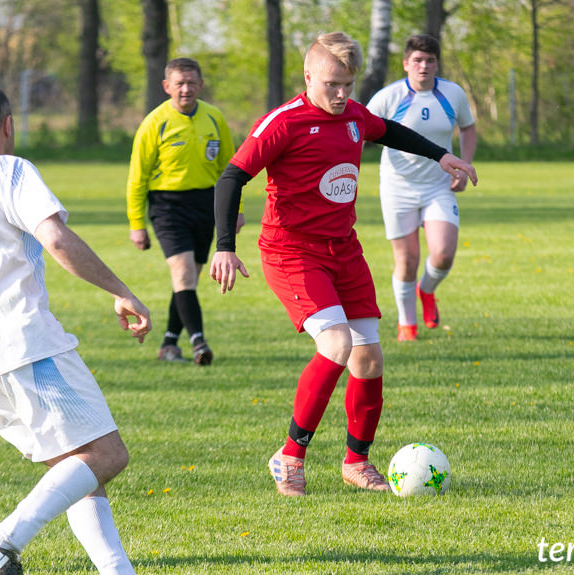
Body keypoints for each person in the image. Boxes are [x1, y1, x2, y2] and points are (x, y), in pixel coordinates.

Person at [210, 32, 477, 497]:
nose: (340, 95)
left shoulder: (353, 115)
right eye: (332, 84)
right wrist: (225, 245)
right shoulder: (282, 123)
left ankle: (357, 462)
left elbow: (387, 130)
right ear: (309, 76)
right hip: (291, 251)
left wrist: (443, 154)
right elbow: (232, 176)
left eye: (347, 85)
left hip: (343, 249)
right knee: (336, 344)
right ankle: (290, 456)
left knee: (369, 358)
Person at [0, 84, 151, 575]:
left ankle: (117, 571)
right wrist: (121, 289)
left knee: (75, 462)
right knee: (107, 453)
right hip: (23, 344)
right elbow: (55, 238)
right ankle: (0, 541)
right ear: (9, 126)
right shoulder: (12, 171)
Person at [127, 57, 240, 365]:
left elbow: (231, 171)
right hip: (167, 206)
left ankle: (168, 343)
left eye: (191, 83)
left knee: (187, 280)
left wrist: (235, 210)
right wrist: (137, 224)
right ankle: (199, 342)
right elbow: (137, 178)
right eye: (179, 83)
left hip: (206, 204)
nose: (186, 89)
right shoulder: (154, 122)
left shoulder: (214, 118)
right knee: (184, 273)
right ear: (167, 87)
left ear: (201, 85)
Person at [366, 34, 476, 341]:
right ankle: (407, 325)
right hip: (397, 188)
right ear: (405, 64)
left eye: (430, 60)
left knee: (442, 254)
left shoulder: (452, 94)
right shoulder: (388, 97)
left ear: (437, 64)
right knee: (407, 259)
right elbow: (359, 128)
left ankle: (426, 290)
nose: (423, 66)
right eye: (417, 60)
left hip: (438, 185)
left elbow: (468, 128)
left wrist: (463, 165)